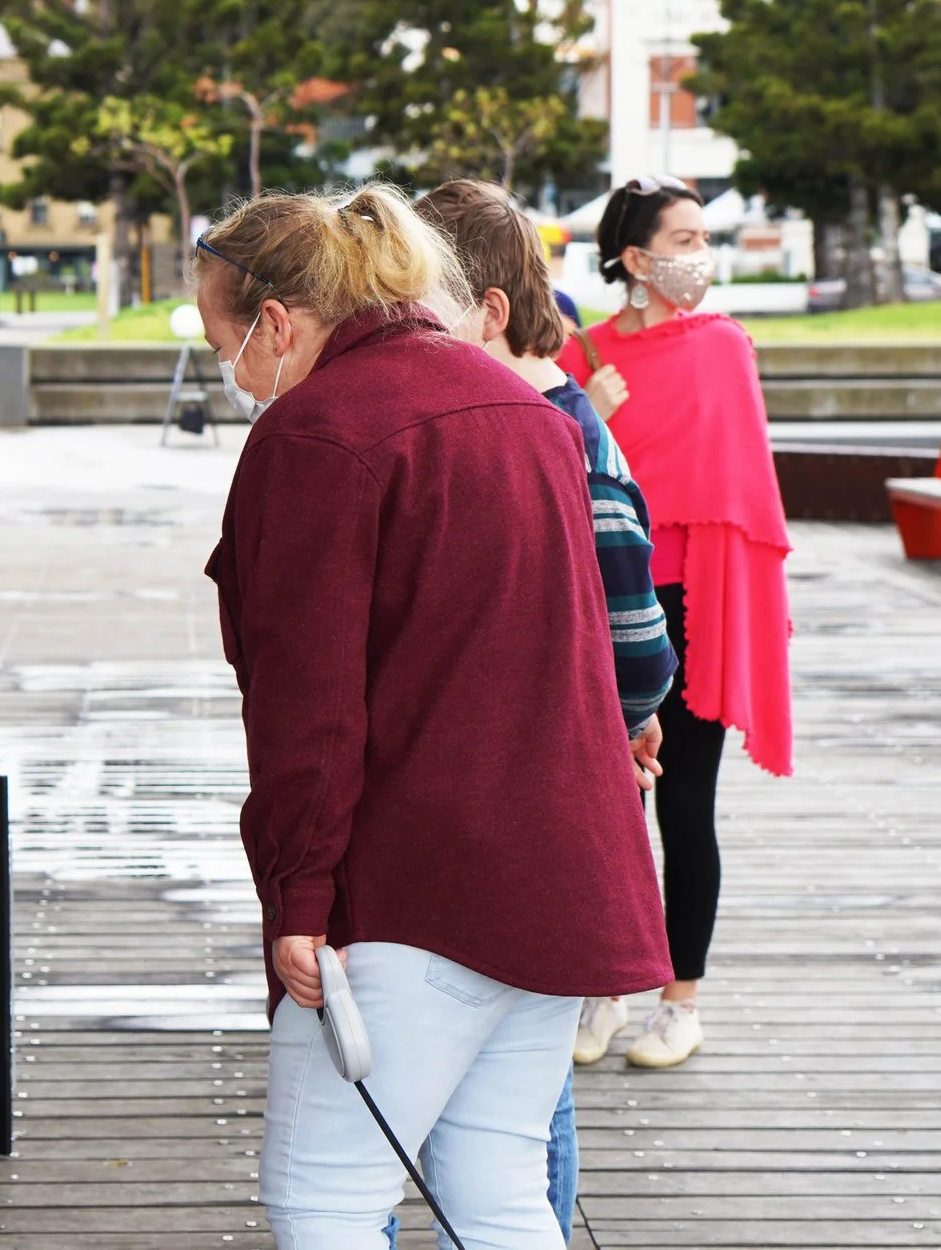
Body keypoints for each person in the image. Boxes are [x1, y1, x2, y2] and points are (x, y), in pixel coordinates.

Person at [199, 184, 674, 1248]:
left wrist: (299, 897)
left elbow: (310, 710)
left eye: (225, 345)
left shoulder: (316, 433)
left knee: (325, 1196)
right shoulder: (523, 405)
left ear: (276, 322)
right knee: (495, 1189)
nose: (233, 373)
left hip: (411, 891)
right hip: (561, 877)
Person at [414, 178, 675, 1238]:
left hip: (542, 797)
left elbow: (636, 641)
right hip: (537, 785)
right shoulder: (543, 425)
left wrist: (620, 715)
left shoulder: (561, 436)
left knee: (524, 1095)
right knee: (513, 1079)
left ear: (484, 309)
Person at [556, 176, 794, 1071]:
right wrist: (592, 412)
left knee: (686, 804)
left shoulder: (724, 347)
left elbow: (746, 494)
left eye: (703, 239)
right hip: (603, 599)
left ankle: (679, 1001)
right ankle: (604, 986)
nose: (701, 256)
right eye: (684, 240)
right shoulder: (582, 357)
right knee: (604, 806)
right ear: (634, 256)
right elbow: (550, 473)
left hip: (694, 601)